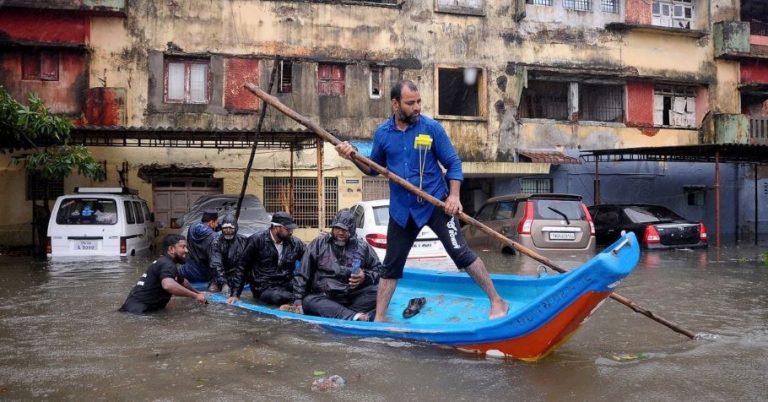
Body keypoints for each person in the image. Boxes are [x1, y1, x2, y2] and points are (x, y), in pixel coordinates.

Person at [335, 79, 508, 322]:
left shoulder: (431, 128)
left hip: (436, 204)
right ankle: (380, 318)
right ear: (396, 104)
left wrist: (454, 196)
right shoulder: (383, 134)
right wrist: (352, 156)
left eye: (418, 102)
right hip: (402, 211)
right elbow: (373, 169)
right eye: (410, 103)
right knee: (390, 267)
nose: (417, 107)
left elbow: (453, 164)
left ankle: (497, 301)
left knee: (461, 254)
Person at [292, 209, 382, 321]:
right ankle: (352, 316)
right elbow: (302, 273)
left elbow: (380, 271)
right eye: (337, 228)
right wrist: (298, 299)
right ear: (333, 228)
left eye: (344, 229)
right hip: (325, 297)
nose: (340, 232)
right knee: (308, 301)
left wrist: (365, 276)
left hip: (352, 297)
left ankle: (343, 313)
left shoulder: (363, 247)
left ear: (352, 230)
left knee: (380, 291)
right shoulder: (319, 244)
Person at [119, 234, 207, 314]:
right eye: (183, 247)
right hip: (138, 313)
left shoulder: (164, 262)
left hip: (133, 309)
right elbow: (168, 285)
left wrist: (198, 293)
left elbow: (182, 281)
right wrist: (195, 296)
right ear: (171, 249)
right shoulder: (167, 264)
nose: (186, 250)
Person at [233, 211, 305, 305]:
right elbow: (242, 267)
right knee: (278, 297)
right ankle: (295, 302)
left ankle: (296, 301)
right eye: (287, 229)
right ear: (275, 227)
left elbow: (309, 260)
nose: (291, 232)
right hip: (263, 287)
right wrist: (235, 294)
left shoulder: (295, 243)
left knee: (308, 291)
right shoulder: (257, 240)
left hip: (286, 284)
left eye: (292, 229)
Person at [210, 213, 248, 300]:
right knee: (213, 289)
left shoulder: (244, 240)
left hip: (238, 275)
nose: (227, 230)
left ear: (236, 228)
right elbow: (216, 265)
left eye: (230, 228)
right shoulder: (216, 242)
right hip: (221, 275)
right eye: (225, 228)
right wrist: (223, 283)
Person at [179, 209, 219, 291]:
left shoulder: (192, 227)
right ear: (211, 222)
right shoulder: (214, 236)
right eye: (217, 223)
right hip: (204, 274)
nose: (217, 225)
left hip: (187, 270)